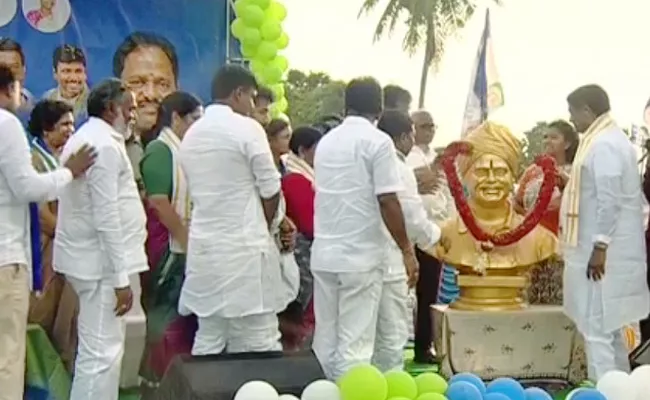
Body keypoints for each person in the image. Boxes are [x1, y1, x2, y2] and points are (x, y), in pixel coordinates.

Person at [311, 77, 417, 380]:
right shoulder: (377, 141)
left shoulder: (327, 141)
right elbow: (388, 200)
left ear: (347, 105)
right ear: (380, 109)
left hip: (325, 254)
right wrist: (407, 250)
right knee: (355, 347)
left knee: (326, 340)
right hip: (359, 257)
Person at [0, 64, 94, 400]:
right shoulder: (6, 123)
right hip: (6, 258)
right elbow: (27, 188)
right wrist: (68, 173)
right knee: (7, 356)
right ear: (9, 89)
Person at [179, 65, 284, 355]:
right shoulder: (246, 127)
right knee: (259, 335)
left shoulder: (191, 134)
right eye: (251, 98)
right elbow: (271, 187)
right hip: (245, 250)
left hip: (205, 250)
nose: (253, 107)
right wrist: (266, 227)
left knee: (209, 334)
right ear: (238, 94)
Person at [54, 78, 148, 399]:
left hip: (95, 262)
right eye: (130, 108)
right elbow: (106, 217)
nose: (134, 115)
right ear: (111, 108)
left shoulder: (95, 137)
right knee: (101, 355)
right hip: (100, 268)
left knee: (101, 352)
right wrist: (120, 280)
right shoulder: (103, 145)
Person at [561, 84, 650, 380]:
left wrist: (600, 246)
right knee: (609, 332)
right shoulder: (608, 139)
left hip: (600, 257)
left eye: (573, 112)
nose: (572, 119)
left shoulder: (604, 145)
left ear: (587, 110)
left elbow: (609, 199)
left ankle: (606, 391)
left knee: (596, 330)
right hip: (601, 253)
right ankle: (622, 391)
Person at [139, 92, 203, 385]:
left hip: (185, 246)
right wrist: (186, 240)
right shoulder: (160, 150)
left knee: (183, 317)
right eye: (193, 120)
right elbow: (158, 202)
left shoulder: (186, 150)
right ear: (175, 118)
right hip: (167, 247)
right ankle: (155, 379)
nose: (197, 127)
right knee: (162, 315)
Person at [373, 110, 442, 372]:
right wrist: (436, 238)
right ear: (403, 137)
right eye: (413, 133)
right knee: (391, 334)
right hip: (389, 256)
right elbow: (410, 215)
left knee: (358, 335)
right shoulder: (397, 165)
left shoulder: (354, 155)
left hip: (353, 257)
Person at [26, 99, 79, 372]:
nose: (71, 129)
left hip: (62, 246)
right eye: (64, 125)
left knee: (66, 314)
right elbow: (40, 214)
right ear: (46, 130)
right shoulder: (34, 160)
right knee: (42, 314)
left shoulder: (63, 158)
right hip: (46, 249)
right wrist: (69, 234)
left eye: (72, 123)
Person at [515, 120, 579, 305]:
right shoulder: (532, 172)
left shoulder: (576, 172)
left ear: (567, 143)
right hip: (532, 246)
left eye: (554, 137)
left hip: (563, 248)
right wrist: (530, 217)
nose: (547, 141)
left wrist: (567, 186)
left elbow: (586, 205)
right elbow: (517, 204)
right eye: (545, 137)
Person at [405, 109, 451, 363]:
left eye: (432, 126)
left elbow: (444, 194)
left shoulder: (435, 156)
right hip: (407, 233)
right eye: (424, 126)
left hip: (433, 233)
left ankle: (424, 346)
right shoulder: (405, 157)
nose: (429, 130)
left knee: (429, 291)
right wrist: (418, 178)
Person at [113, 32, 179, 192]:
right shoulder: (101, 149)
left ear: (177, 88)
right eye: (137, 83)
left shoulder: (196, 149)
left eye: (162, 84)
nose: (150, 94)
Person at [280, 126, 323, 349]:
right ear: (303, 150)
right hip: (303, 253)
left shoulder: (308, 177)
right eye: (318, 149)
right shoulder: (296, 180)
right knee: (300, 307)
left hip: (309, 250)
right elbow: (308, 222)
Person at [43, 45, 90, 121]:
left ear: (85, 73)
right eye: (67, 71)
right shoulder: (46, 100)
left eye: (78, 71)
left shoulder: (95, 104)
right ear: (55, 73)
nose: (73, 78)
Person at [0, 38, 35, 120]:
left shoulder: (33, 106)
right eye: (3, 67)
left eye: (14, 67)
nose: (9, 73)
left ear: (24, 70)